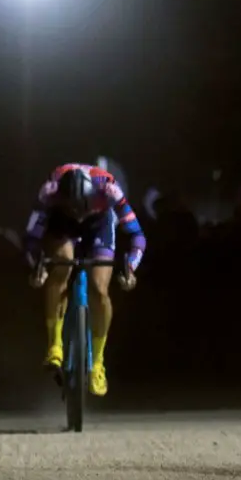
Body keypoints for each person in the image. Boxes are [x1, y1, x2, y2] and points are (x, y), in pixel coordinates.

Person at [24, 163, 147, 397]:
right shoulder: (49, 192)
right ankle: (55, 345)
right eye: (72, 208)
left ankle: (98, 363)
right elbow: (31, 237)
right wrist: (37, 268)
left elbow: (137, 235)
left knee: (99, 290)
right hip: (62, 226)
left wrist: (130, 267)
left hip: (99, 224)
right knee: (61, 264)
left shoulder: (110, 190)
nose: (78, 213)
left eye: (82, 207)